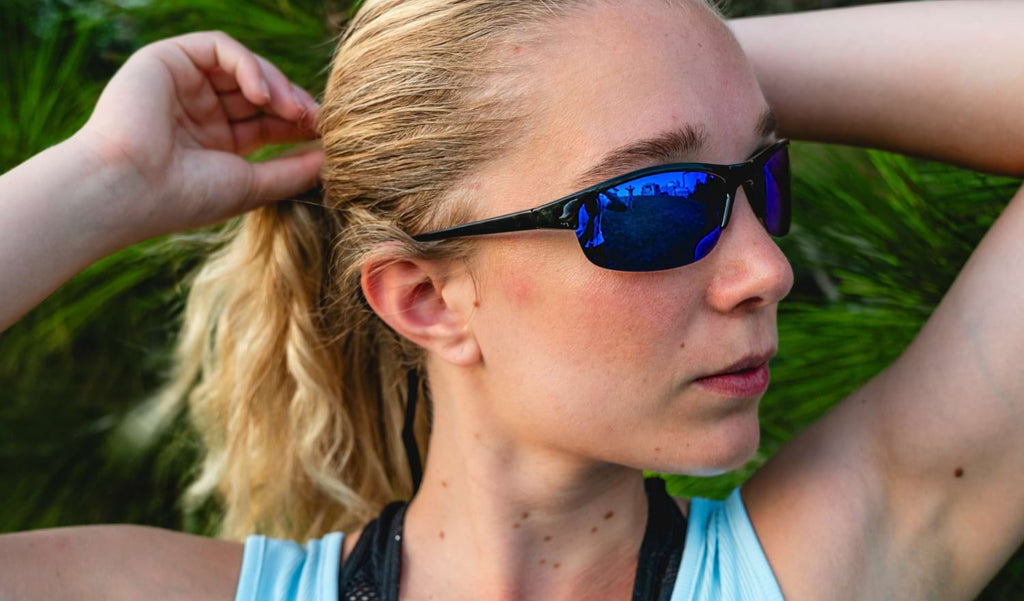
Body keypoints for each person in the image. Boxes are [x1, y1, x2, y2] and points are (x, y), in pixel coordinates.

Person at [1, 0, 1022, 599]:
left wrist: (669, 51)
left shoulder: (823, 565)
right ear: (425, 300)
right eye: (658, 205)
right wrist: (102, 178)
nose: (766, 269)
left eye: (758, 180)